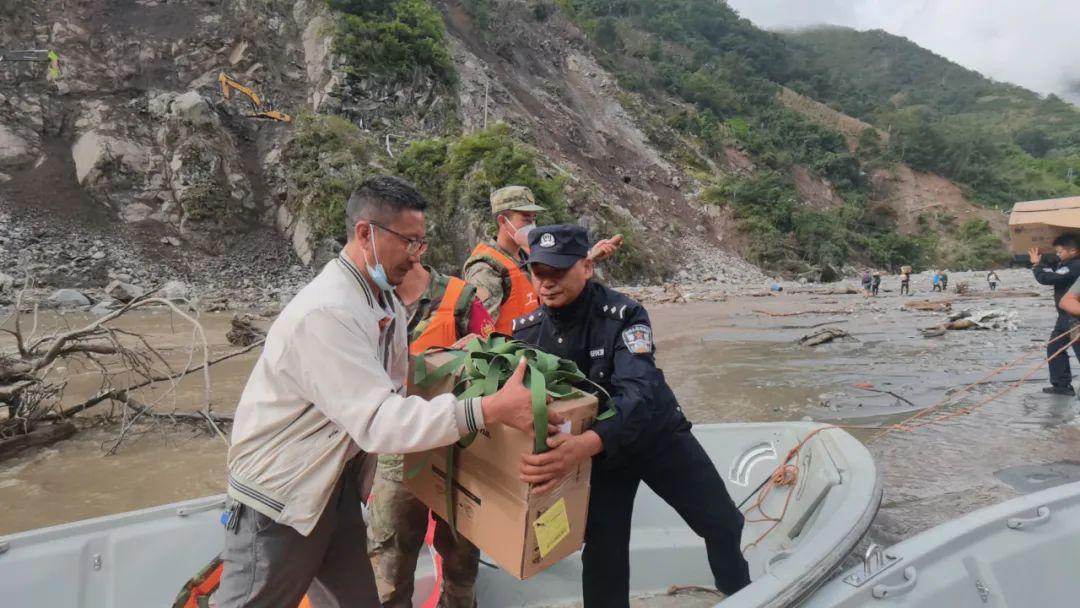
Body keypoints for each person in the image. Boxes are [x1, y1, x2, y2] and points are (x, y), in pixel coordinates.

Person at [217, 176, 560, 608]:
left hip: (331, 489)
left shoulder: (382, 302)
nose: (418, 255)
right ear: (366, 234)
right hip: (280, 497)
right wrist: (489, 408)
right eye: (409, 242)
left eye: (422, 242)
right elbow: (381, 421)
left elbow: (396, 382)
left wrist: (452, 359)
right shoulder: (329, 313)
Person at [512, 225, 751, 607]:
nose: (547, 283)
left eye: (558, 272)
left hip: (656, 438)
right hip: (601, 458)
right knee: (604, 555)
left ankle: (742, 592)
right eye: (538, 273)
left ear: (587, 267)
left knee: (723, 522)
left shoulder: (624, 315)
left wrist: (583, 446)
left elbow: (638, 393)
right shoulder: (527, 334)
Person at [367, 262, 493, 608]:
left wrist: (479, 348)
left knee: (462, 560)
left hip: (457, 452)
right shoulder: (368, 300)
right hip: (395, 453)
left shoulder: (462, 298)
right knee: (389, 561)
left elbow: (498, 360)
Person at [463, 185, 620, 333]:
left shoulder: (530, 256)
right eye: (526, 219)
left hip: (539, 350)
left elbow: (561, 277)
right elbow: (481, 330)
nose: (532, 225)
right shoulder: (485, 268)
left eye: (533, 218)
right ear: (503, 221)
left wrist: (590, 256)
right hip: (512, 357)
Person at [1031, 234, 1080, 396]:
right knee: (1055, 347)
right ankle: (1061, 385)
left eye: (1060, 252)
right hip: (1064, 317)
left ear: (1073, 251)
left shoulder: (1075, 266)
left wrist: (1036, 265)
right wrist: (1041, 261)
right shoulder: (1066, 264)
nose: (1057, 255)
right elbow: (1055, 269)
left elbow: (1048, 278)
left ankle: (1062, 384)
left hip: (1074, 317)